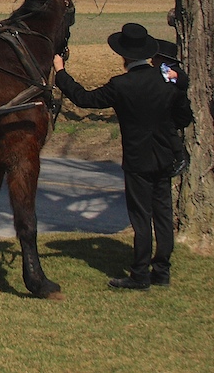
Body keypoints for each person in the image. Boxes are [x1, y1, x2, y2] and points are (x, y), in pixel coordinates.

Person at [53, 23, 193, 290]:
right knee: (162, 215)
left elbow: (84, 98)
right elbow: (183, 117)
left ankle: (140, 274)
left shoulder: (121, 85)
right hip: (164, 156)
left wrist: (61, 72)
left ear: (124, 56)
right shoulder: (166, 79)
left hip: (138, 159)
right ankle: (161, 271)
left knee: (141, 217)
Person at [153, 39, 189, 176]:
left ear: (162, 59)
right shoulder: (158, 72)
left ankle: (180, 157)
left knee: (167, 127)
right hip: (166, 109)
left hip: (178, 112)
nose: (151, 61)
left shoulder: (174, 72)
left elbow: (183, 82)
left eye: (154, 57)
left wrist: (175, 76)